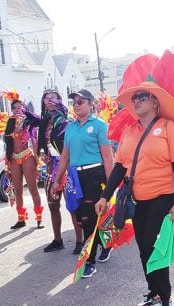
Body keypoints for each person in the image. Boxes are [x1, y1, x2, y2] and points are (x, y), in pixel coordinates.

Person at [95, 81, 174, 306]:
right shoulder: (129, 132)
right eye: (135, 98)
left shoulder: (169, 128)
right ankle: (154, 292)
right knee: (143, 248)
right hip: (137, 199)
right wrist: (105, 196)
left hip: (164, 197)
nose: (137, 101)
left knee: (154, 246)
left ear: (155, 101)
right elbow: (119, 168)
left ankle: (165, 298)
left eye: (142, 97)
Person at [52, 89, 114, 277]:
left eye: (81, 101)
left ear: (91, 104)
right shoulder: (70, 128)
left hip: (95, 175)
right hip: (75, 176)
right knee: (79, 217)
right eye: (74, 102)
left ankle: (89, 261)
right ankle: (106, 243)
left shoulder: (99, 126)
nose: (77, 105)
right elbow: (65, 156)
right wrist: (57, 181)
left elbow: (107, 157)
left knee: (89, 219)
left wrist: (110, 187)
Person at [31, 89, 84, 253]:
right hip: (51, 168)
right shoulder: (43, 122)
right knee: (53, 204)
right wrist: (43, 156)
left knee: (73, 205)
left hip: (67, 167)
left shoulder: (67, 122)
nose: (49, 100)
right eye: (46, 98)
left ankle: (79, 241)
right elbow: (41, 145)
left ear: (59, 100)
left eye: (53, 97)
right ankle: (57, 240)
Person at [4, 99, 44, 229]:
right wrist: (6, 166)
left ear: (24, 108)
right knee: (18, 190)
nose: (17, 109)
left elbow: (35, 141)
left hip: (27, 155)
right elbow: (8, 145)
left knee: (32, 188)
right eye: (15, 107)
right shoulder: (10, 122)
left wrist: (38, 164)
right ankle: (21, 219)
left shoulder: (29, 122)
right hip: (14, 158)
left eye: (20, 107)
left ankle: (39, 218)